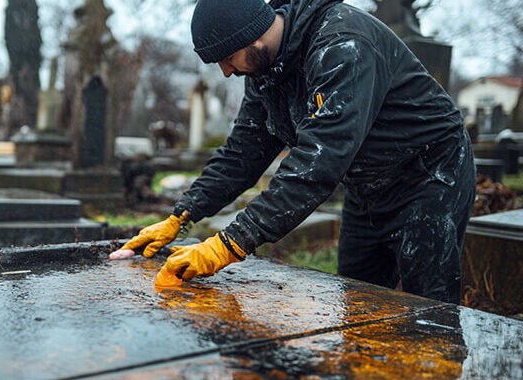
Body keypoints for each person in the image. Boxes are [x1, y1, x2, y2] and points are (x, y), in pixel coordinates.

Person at [118, 0, 475, 303]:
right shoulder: (264, 73)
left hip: (428, 174)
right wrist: (181, 215)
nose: (227, 72)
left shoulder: (342, 44)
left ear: (252, 36)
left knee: (428, 308)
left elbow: (318, 163)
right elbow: (242, 153)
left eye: (227, 58)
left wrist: (230, 243)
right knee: (360, 298)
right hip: (367, 184)